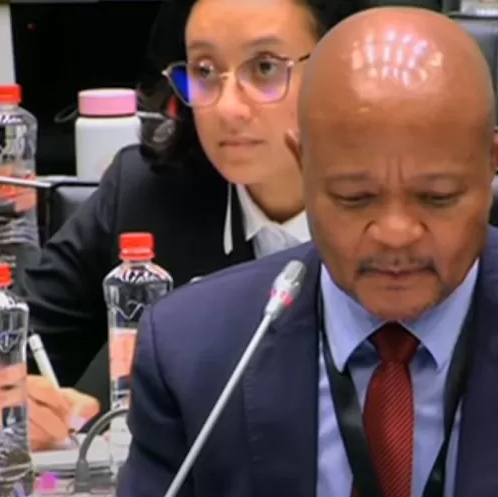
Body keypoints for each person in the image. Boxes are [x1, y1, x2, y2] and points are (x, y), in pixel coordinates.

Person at [119, 7, 498, 497]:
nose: (396, 233)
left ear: (491, 167)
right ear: (304, 165)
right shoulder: (194, 350)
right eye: (355, 198)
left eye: (437, 197)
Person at [22, 0, 370, 451]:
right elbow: (10, 335)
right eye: (204, 71)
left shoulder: (401, 212)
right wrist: (4, 391)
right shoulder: (144, 194)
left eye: (264, 67)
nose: (227, 108)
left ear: (340, 68)